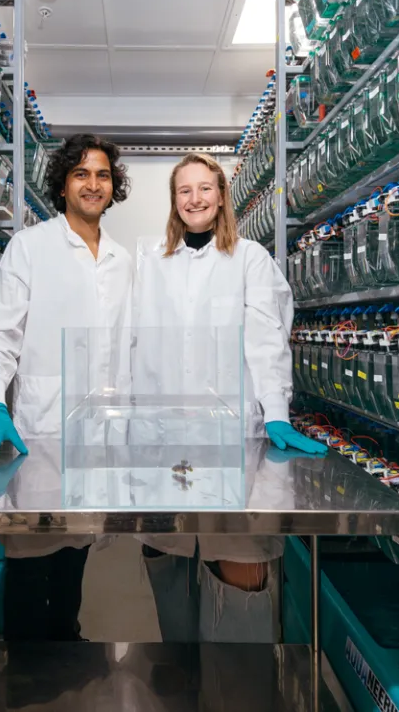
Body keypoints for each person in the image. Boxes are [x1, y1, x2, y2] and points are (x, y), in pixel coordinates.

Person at [132, 152, 327, 643]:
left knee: (239, 557)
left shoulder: (250, 260)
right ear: (174, 202)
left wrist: (277, 415)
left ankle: (235, 681)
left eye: (204, 188)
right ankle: (179, 671)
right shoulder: (151, 261)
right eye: (184, 190)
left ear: (221, 196)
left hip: (233, 438)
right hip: (164, 437)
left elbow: (266, 341)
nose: (195, 198)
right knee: (166, 551)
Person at [0, 133, 133, 642]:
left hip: (99, 439)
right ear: (62, 186)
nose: (92, 185)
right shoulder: (29, 248)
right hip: (40, 431)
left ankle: (66, 653)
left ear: (113, 186)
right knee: (31, 560)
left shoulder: (124, 261)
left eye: (102, 175)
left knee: (76, 556)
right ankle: (27, 674)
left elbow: (130, 349)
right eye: (81, 174)